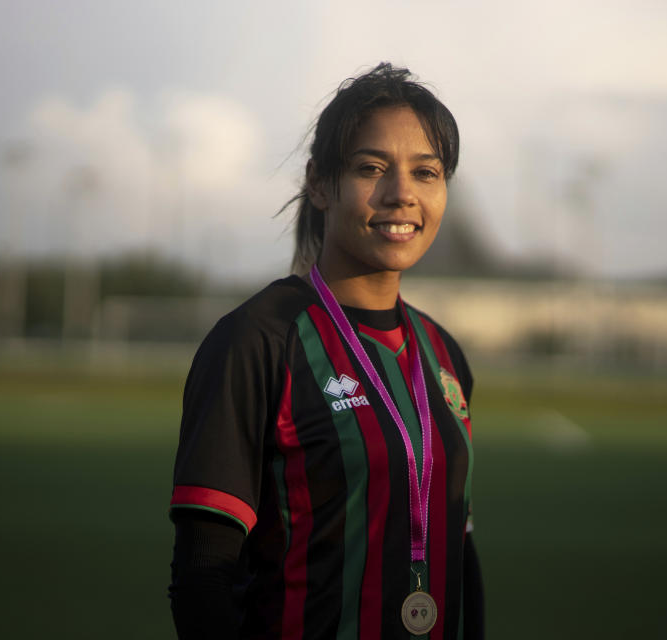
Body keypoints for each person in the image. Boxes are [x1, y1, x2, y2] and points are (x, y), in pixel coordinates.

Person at [168, 62, 483, 640]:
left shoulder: (444, 354)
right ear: (319, 183)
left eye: (427, 173)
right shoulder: (258, 340)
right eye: (371, 168)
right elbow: (202, 574)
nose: (401, 194)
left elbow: (460, 557)